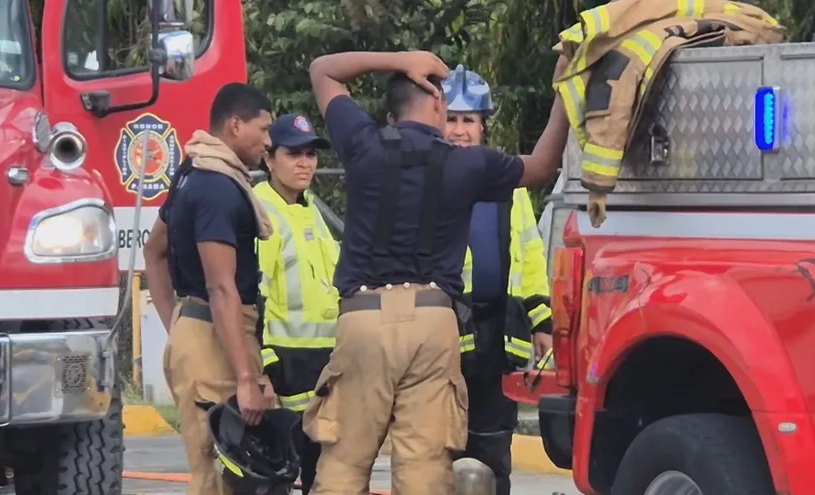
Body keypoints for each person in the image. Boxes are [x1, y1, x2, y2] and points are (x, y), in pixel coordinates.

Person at [301, 49, 570, 494]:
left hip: (364, 319)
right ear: (439, 104)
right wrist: (563, 91)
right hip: (434, 321)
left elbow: (322, 69)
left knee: (344, 463)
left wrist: (399, 59)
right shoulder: (469, 164)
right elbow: (542, 165)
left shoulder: (363, 143)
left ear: (393, 111)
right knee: (424, 471)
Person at [143, 82, 276, 495]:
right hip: (215, 338)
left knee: (229, 473)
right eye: (263, 130)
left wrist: (178, 324)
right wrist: (245, 377)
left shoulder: (191, 174)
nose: (268, 142)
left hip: (202, 331)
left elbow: (154, 251)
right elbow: (221, 288)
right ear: (235, 125)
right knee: (220, 477)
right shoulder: (218, 188)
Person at [443, 64, 554, 495]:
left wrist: (541, 321)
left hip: (500, 333)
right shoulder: (431, 177)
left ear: (483, 126)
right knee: (441, 448)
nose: (459, 130)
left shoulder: (510, 180)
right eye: (451, 119)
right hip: (446, 332)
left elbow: (529, 253)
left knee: (493, 450)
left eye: (468, 120)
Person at [254, 113, 340, 493]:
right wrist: (262, 368)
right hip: (283, 365)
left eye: (311, 154)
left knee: (322, 476)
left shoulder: (311, 209)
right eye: (293, 154)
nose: (305, 163)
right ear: (269, 159)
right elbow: (251, 298)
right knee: (278, 477)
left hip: (323, 364)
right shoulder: (261, 211)